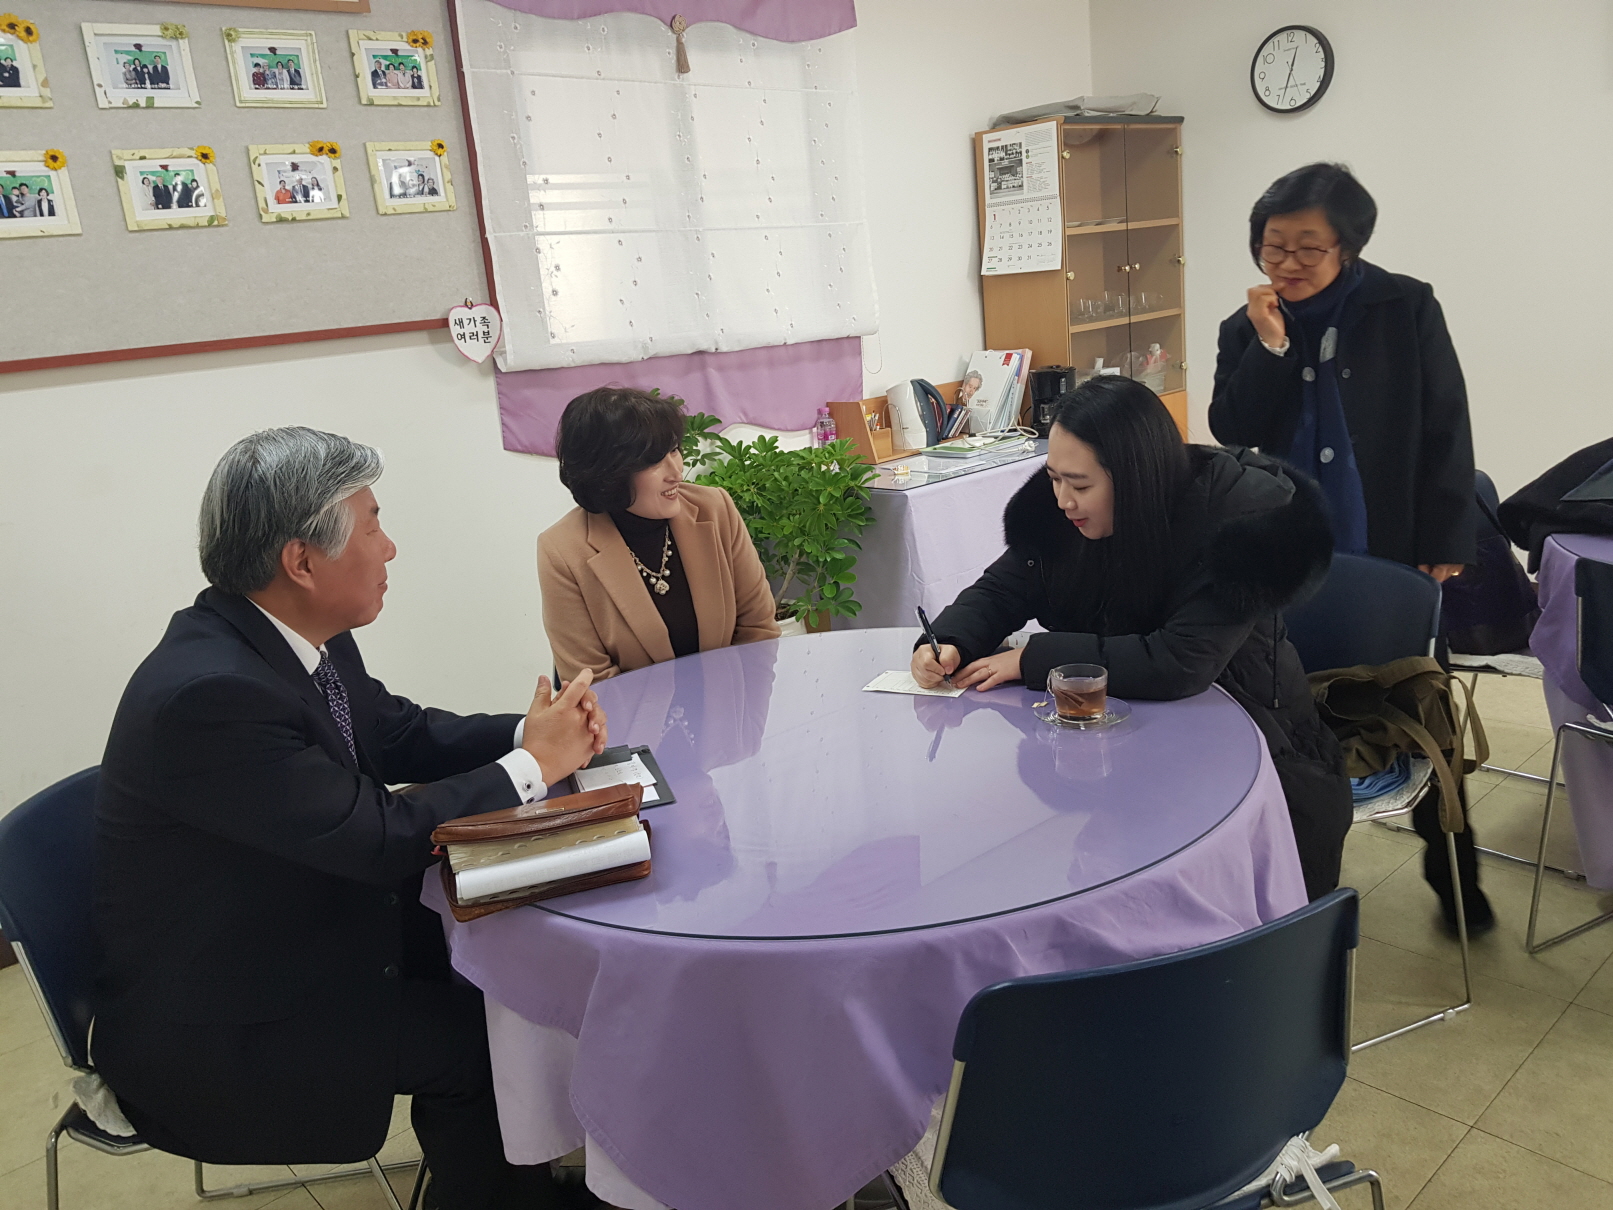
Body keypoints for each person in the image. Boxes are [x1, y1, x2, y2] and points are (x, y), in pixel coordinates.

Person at [93, 427, 610, 1210]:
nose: (389, 547)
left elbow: (398, 731)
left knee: (514, 964)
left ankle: (506, 1176)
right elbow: (379, 837)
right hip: (233, 1011)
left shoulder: (289, 637)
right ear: (301, 562)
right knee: (479, 1041)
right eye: (372, 525)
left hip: (294, 920)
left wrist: (526, 733)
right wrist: (535, 764)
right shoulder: (210, 696)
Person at [911, 376, 1353, 899]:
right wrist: (951, 638)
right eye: (1053, 479)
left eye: (1080, 486)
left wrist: (1032, 660)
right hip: (1130, 732)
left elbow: (1179, 662)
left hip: (1254, 747)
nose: (1063, 501)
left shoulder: (1239, 525)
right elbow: (1006, 587)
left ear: (1134, 478)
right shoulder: (1066, 512)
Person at [1209, 162, 1490, 932]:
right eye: (1273, 247)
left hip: (1388, 538)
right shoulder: (1244, 327)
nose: (1287, 263)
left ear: (1349, 246)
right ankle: (1294, 882)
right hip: (1289, 550)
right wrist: (1269, 348)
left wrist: (1444, 536)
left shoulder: (1404, 305)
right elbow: (1233, 430)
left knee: (1416, 703)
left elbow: (1445, 424)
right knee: (1288, 706)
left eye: (1308, 247)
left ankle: (1453, 871)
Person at [540, 387, 781, 681]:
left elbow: (758, 632)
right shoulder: (562, 550)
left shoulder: (715, 509)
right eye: (653, 461)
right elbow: (592, 683)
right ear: (608, 473)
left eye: (674, 450)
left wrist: (748, 711)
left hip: (728, 706)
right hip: (629, 712)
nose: (676, 472)